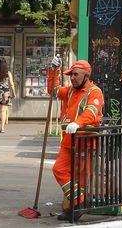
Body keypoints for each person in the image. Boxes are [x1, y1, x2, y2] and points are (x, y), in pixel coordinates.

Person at [46, 57, 104, 220]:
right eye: (71, 74)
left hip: (85, 142)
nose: (72, 77)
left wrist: (78, 123)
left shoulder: (95, 92)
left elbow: (92, 112)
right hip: (68, 142)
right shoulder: (70, 90)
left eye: (75, 75)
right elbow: (53, 90)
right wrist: (54, 71)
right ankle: (80, 202)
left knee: (80, 177)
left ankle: (73, 208)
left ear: (86, 76)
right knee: (59, 170)